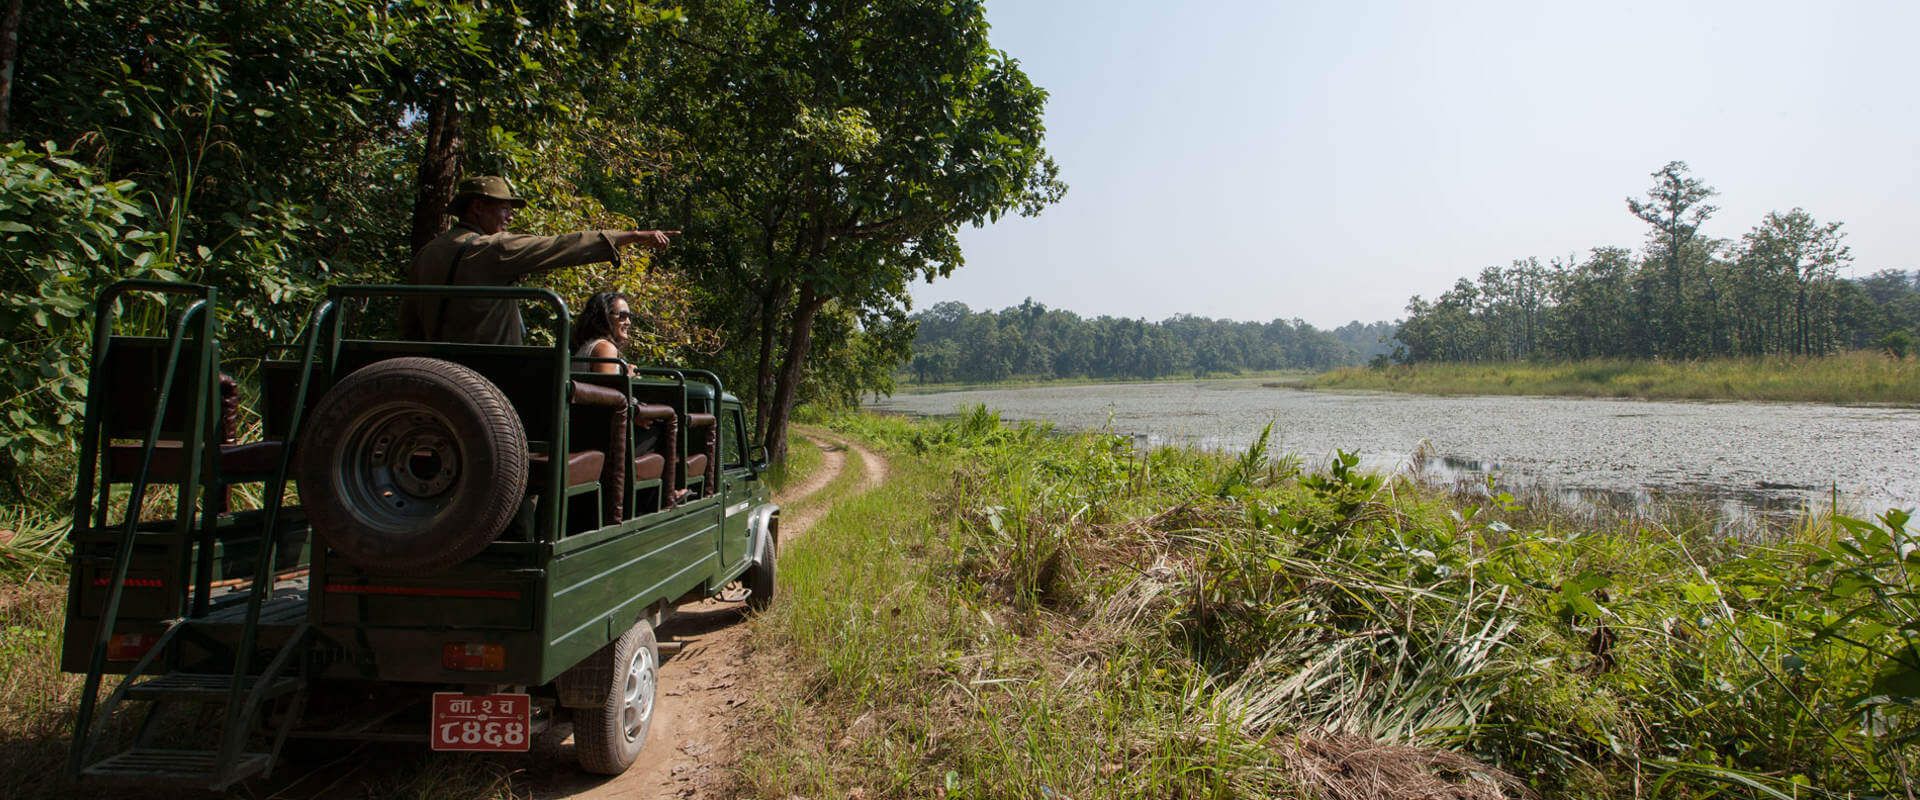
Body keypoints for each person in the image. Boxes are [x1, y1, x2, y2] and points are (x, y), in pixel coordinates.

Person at [401, 176, 678, 344]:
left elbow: (409, 322)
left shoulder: (428, 253)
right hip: (490, 372)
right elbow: (561, 246)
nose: (510, 217)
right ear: (477, 207)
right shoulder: (492, 248)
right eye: (505, 208)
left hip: (436, 370)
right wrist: (632, 236)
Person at [572, 291, 637, 375]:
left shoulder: (587, 345)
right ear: (604, 317)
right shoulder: (605, 348)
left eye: (629, 316)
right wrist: (628, 376)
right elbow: (606, 383)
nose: (628, 322)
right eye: (622, 316)